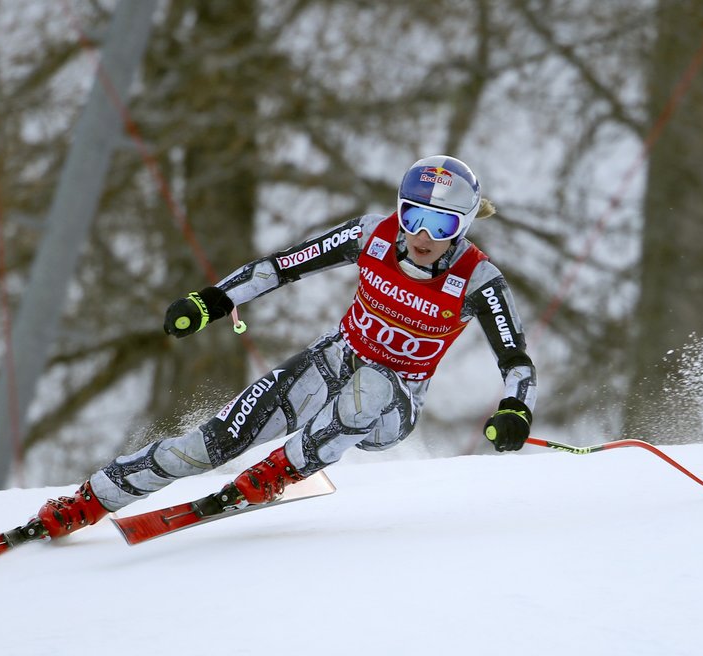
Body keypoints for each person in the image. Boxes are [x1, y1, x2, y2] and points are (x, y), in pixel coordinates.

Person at [32, 155, 538, 538]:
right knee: (211, 442)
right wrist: (212, 301)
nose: (423, 235)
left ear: (465, 225)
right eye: (413, 216)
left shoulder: (478, 280)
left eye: (442, 225)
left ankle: (280, 471)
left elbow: (515, 359)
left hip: (394, 401)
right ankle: (92, 499)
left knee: (373, 384)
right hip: (334, 361)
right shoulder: (372, 236)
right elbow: (283, 265)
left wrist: (516, 409)